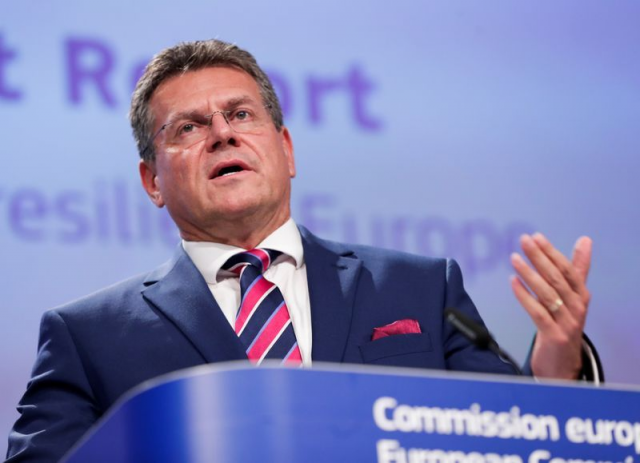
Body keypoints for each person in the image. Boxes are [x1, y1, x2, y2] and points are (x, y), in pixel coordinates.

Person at [5, 39, 602, 462]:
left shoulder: (421, 287)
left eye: (241, 114)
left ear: (286, 150)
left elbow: (506, 435)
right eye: (188, 127)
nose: (222, 133)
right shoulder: (87, 336)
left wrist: (557, 367)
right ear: (151, 181)